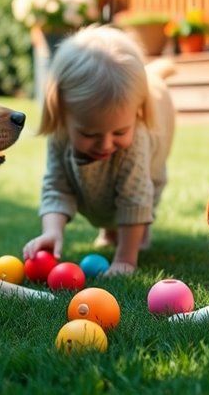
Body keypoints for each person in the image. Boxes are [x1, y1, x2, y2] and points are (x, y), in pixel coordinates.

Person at [22, 25, 176, 275]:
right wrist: (51, 231)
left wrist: (125, 259)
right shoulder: (60, 135)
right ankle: (110, 229)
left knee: (146, 182)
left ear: (136, 114)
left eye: (119, 132)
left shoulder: (136, 138)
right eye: (89, 134)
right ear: (62, 113)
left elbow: (134, 196)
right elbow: (57, 187)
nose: (105, 144)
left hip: (158, 123)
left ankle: (136, 234)